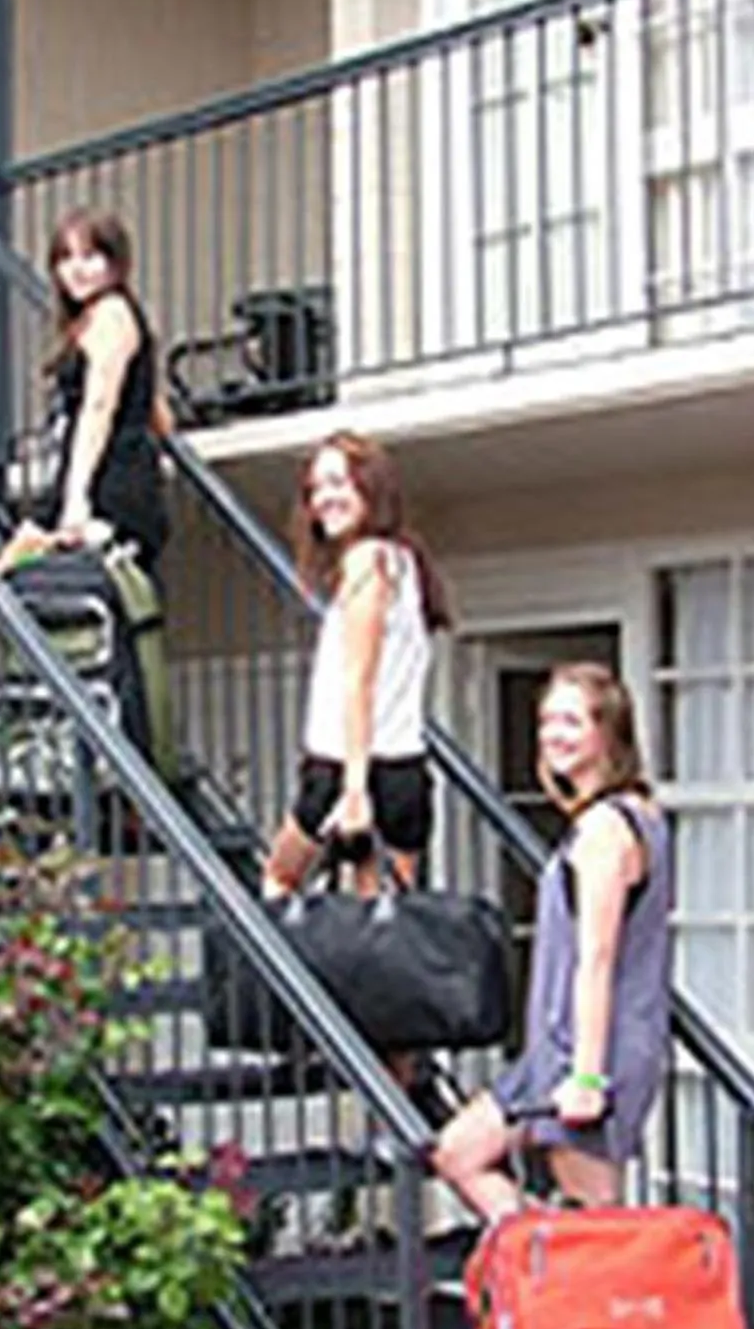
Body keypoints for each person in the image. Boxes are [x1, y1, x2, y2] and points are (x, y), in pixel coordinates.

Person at [433, 664, 672, 1220]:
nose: (553, 734)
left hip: (589, 1050)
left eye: (572, 720)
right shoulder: (625, 817)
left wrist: (587, 1078)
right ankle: (545, 1254)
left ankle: (571, 1276)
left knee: (598, 1220)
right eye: (546, 721)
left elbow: (598, 958)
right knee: (458, 1152)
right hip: (557, 1050)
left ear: (608, 732)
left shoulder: (608, 831)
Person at [262, 432, 451, 900]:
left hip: (348, 766)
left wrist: (353, 790)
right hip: (403, 765)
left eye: (339, 484)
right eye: (316, 489)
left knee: (277, 882)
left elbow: (358, 681)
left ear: (371, 489)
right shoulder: (404, 563)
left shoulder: (368, 562)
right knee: (388, 927)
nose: (325, 499)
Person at [3, 208, 172, 574]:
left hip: (107, 482)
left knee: (73, 600)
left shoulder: (112, 314)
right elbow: (158, 413)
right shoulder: (97, 319)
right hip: (104, 475)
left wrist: (76, 498)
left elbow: (98, 407)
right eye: (65, 257)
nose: (76, 269)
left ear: (115, 262)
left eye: (91, 256)